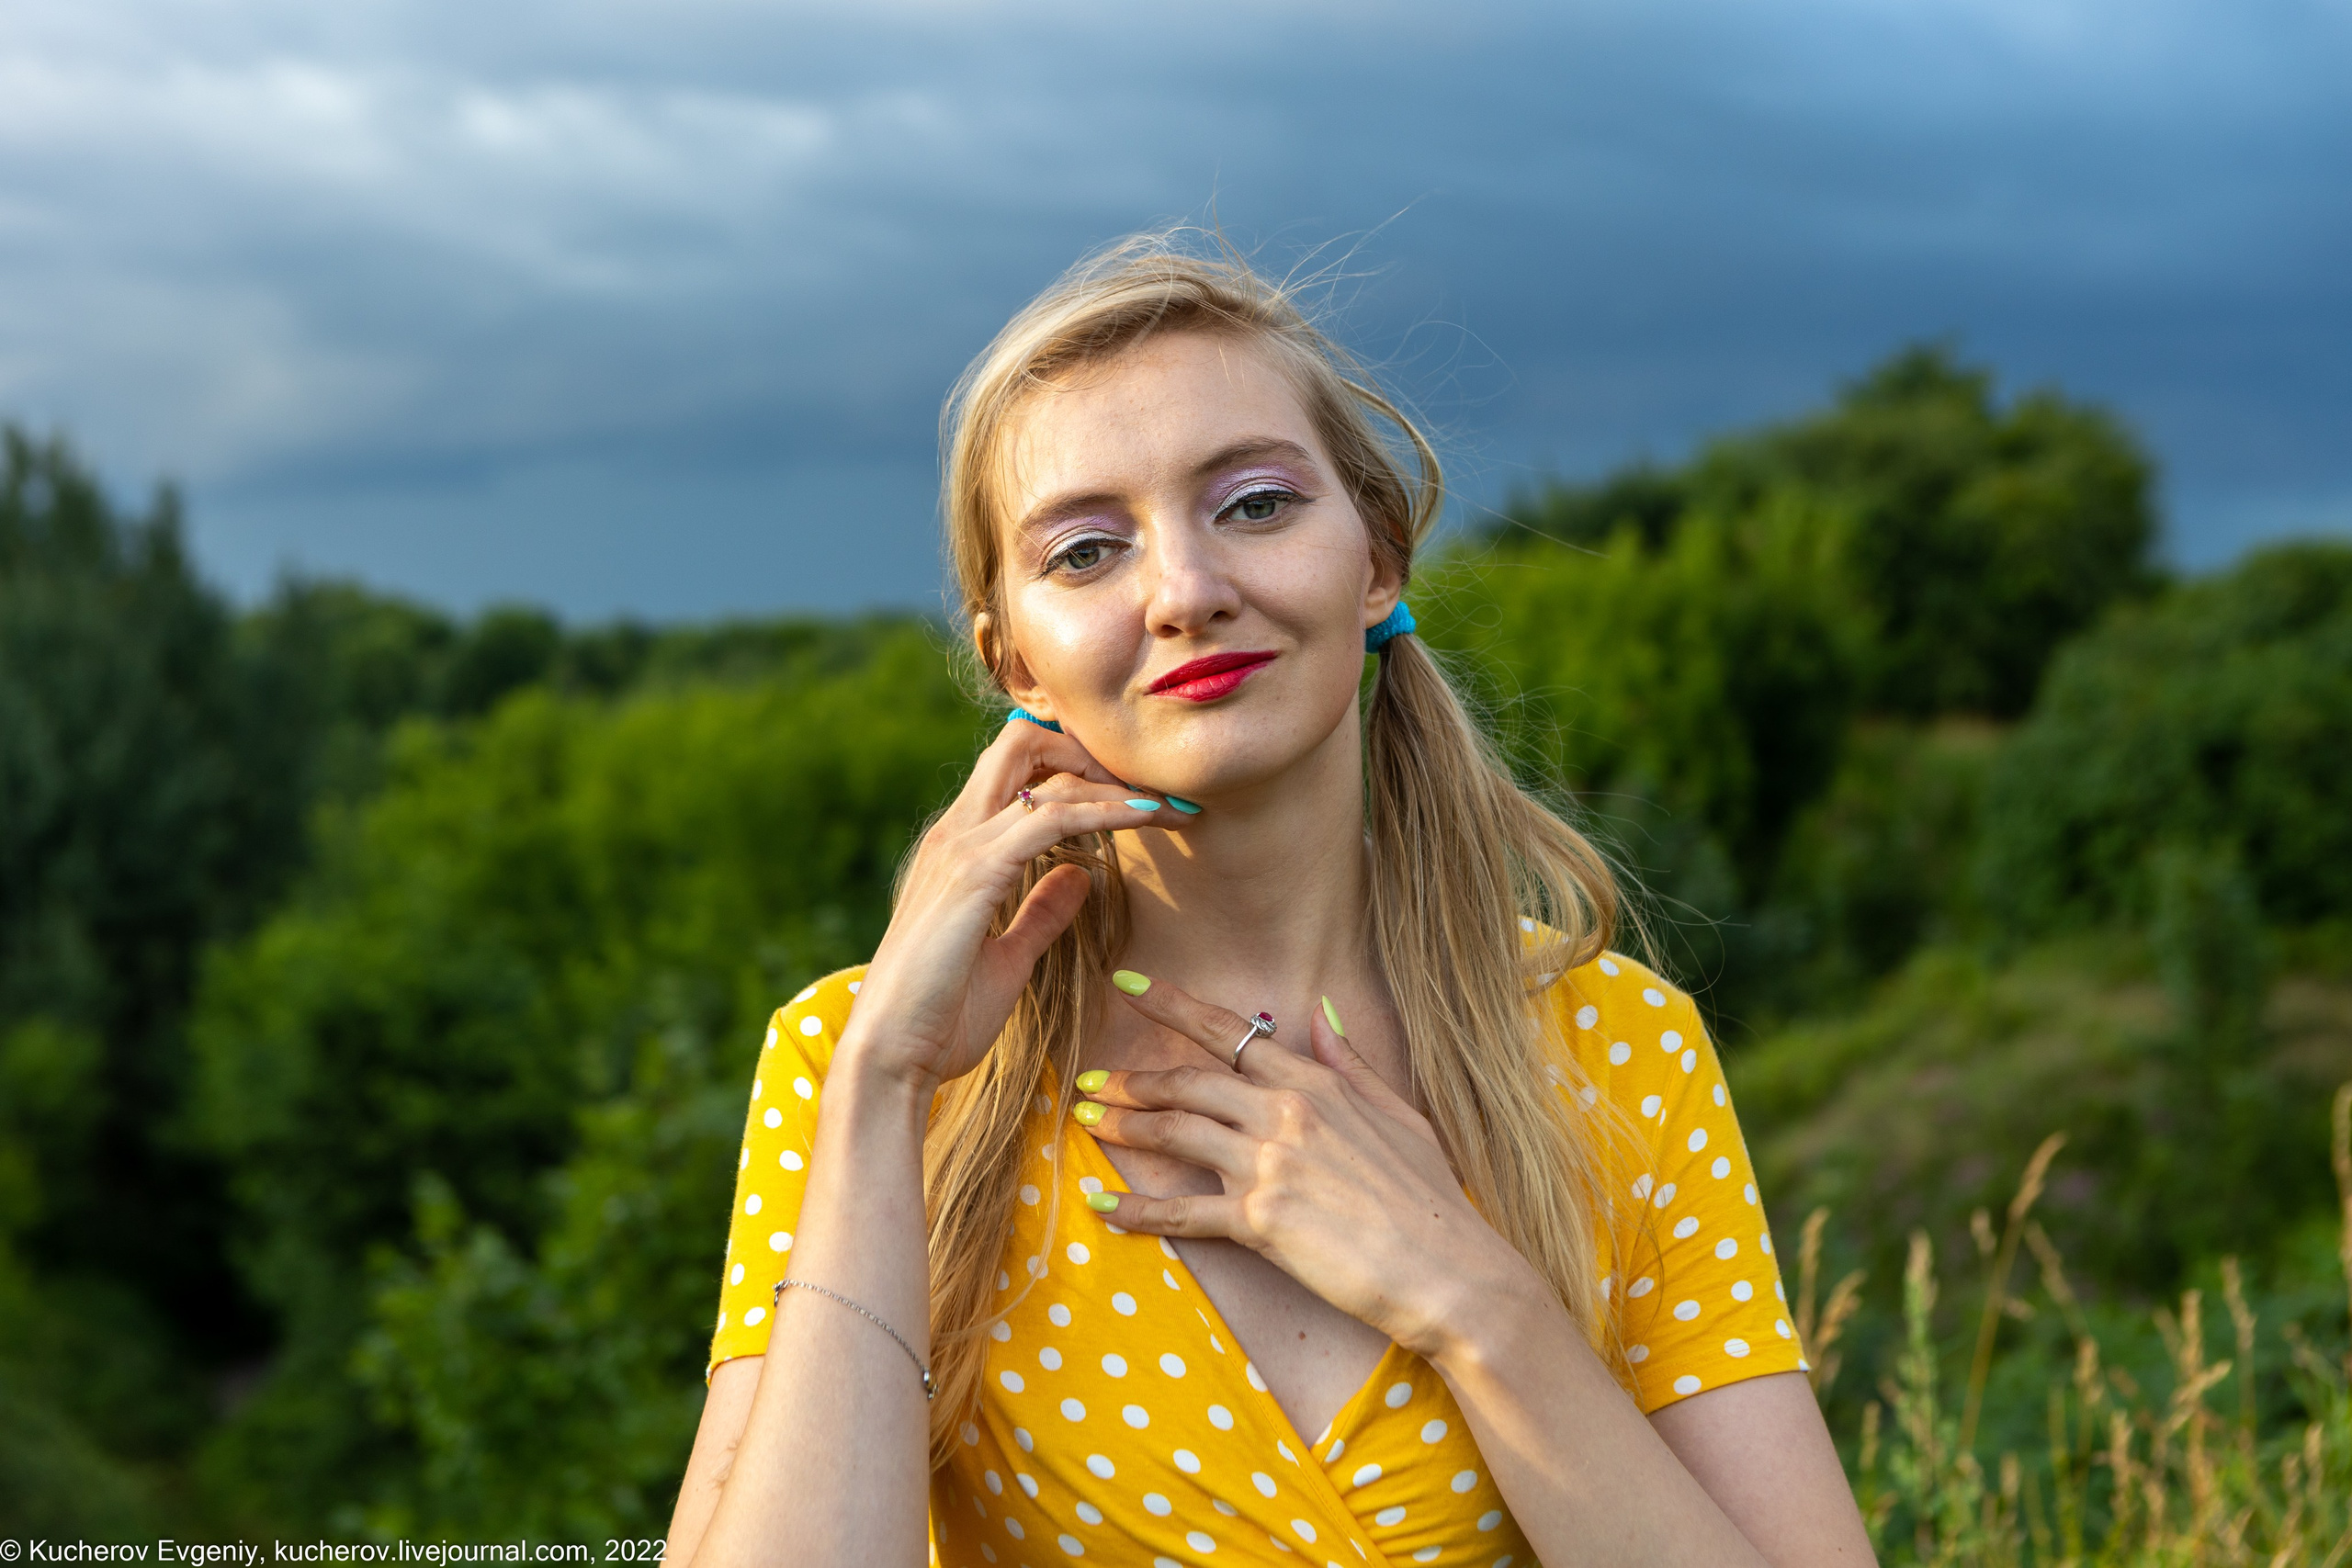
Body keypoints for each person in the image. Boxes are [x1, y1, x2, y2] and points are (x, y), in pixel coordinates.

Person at [662, 233, 1874, 1568]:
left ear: (1376, 561)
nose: (1185, 592)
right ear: (1011, 655)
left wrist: (1477, 1305)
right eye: (1084, 553)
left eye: (1253, 505)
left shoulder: (1613, 1047)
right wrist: (883, 1084)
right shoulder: (861, 1068)